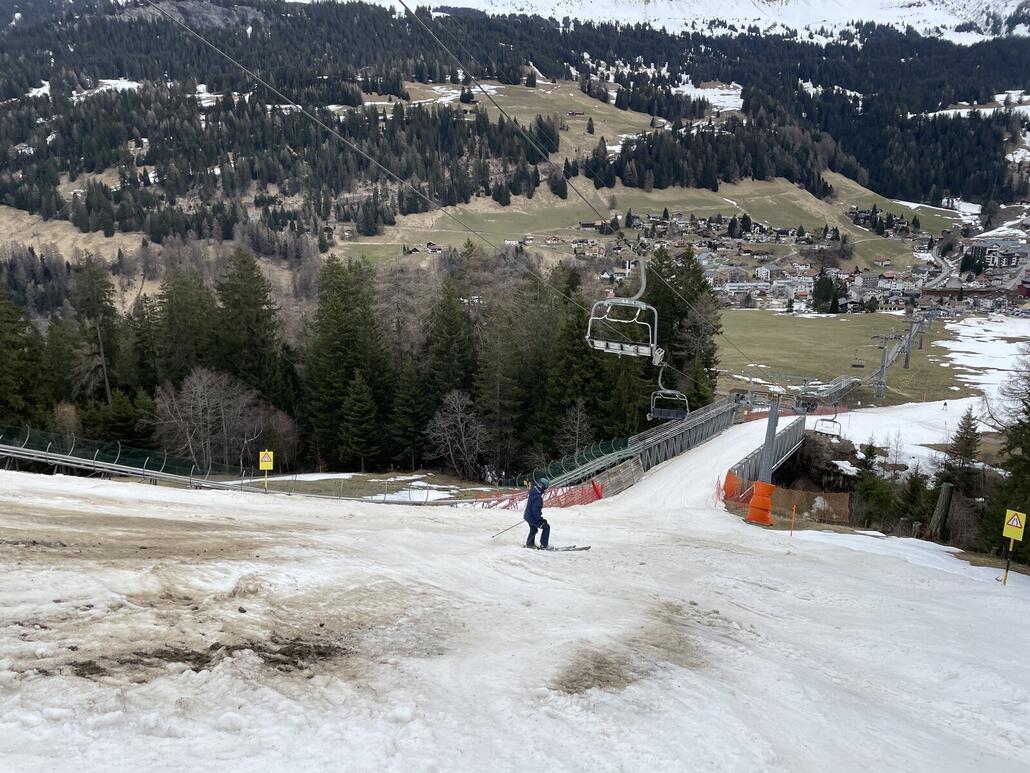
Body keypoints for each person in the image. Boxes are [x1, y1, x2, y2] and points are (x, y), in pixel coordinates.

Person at [523, 478, 550, 549]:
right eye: (545, 488)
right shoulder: (538, 496)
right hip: (532, 517)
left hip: (528, 516)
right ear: (542, 487)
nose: (545, 490)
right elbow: (535, 511)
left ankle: (529, 544)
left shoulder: (533, 490)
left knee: (534, 529)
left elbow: (534, 508)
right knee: (546, 527)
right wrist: (541, 520)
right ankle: (544, 546)